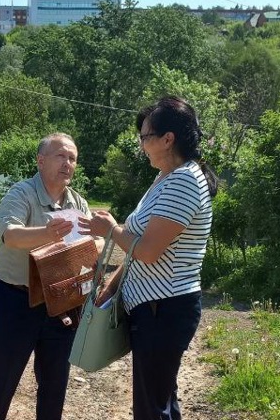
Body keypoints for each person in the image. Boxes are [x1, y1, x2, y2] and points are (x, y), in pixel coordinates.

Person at [80, 96, 217, 420]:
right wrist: (113, 286)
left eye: (145, 137)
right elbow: (140, 247)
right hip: (156, 310)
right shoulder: (166, 178)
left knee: (150, 407)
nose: (141, 144)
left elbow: (147, 251)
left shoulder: (184, 181)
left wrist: (110, 229)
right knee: (160, 399)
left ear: (167, 139)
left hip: (164, 311)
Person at [0, 133, 93, 420]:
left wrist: (99, 245)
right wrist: (48, 234)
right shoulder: (21, 193)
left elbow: (93, 245)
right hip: (15, 301)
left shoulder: (78, 203)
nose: (68, 163)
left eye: (72, 158)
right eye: (61, 156)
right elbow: (10, 236)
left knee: (55, 384)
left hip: (59, 303)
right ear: (41, 161)